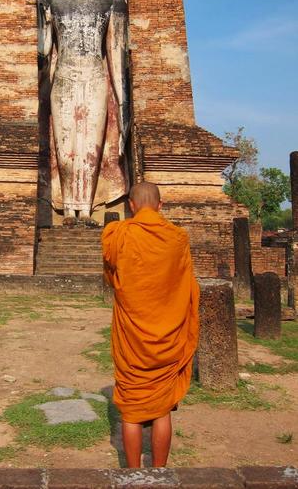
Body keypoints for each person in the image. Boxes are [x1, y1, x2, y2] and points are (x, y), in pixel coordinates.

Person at [37, 0, 128, 225]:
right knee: (65, 147)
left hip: (95, 75)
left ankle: (87, 210)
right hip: (64, 77)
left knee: (91, 145)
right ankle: (68, 209)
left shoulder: (111, 3)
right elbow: (45, 49)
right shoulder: (51, 1)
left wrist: (124, 102)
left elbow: (114, 55)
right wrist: (40, 21)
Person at [102, 182, 199, 467]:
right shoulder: (177, 238)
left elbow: (112, 275)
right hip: (169, 335)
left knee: (131, 412)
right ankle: (159, 472)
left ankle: (133, 473)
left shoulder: (117, 234)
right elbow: (186, 285)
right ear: (160, 205)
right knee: (162, 410)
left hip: (133, 337)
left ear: (131, 205)